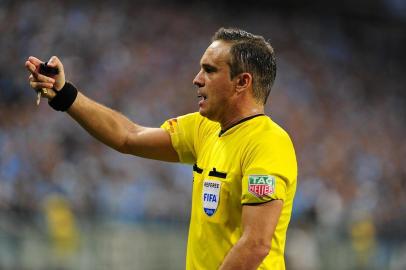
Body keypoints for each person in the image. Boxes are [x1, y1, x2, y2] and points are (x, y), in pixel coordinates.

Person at [25, 28, 297, 270]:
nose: (197, 79)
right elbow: (128, 136)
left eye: (210, 70)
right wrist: (64, 94)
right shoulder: (204, 129)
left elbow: (256, 245)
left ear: (242, 82)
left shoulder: (268, 142)